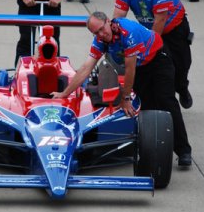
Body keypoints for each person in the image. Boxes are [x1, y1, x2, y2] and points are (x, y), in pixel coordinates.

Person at [52, 11, 192, 167]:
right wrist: (64, 93)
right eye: (96, 33)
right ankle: (150, 150)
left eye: (101, 29)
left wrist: (125, 99)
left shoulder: (127, 32)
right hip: (141, 68)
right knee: (144, 107)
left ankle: (184, 151)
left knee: (166, 102)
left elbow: (130, 69)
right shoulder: (99, 40)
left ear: (108, 21)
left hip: (158, 61)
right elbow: (85, 68)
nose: (101, 34)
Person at [113, 0, 193, 109]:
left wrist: (149, 47)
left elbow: (160, 21)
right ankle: (163, 100)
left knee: (181, 65)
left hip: (172, 30)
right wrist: (116, 36)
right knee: (158, 67)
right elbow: (118, 16)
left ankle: (182, 88)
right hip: (149, 30)